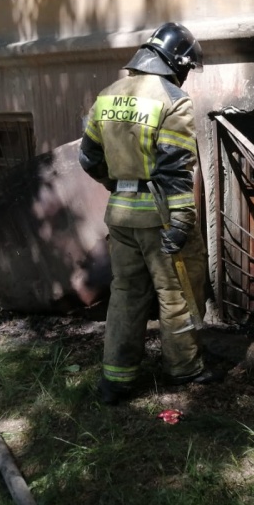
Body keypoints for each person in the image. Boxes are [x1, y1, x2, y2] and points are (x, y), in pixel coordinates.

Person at [78, 22, 219, 404]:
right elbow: (174, 170)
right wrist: (181, 222)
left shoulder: (107, 96)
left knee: (125, 294)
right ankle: (185, 370)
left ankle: (116, 380)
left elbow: (89, 158)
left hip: (120, 217)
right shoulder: (172, 99)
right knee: (176, 294)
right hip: (159, 221)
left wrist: (121, 184)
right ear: (177, 61)